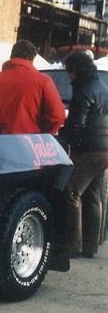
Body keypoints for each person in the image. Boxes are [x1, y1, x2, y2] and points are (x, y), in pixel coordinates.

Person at [60, 51, 108, 258]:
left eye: (69, 71)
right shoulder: (102, 87)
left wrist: (66, 138)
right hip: (104, 149)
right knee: (93, 196)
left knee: (72, 192)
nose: (68, 75)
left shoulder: (84, 91)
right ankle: (91, 245)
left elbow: (76, 125)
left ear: (76, 70)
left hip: (88, 150)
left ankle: (73, 245)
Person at [0, 40, 65, 134]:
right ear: (33, 59)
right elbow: (57, 116)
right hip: (30, 139)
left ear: (11, 56)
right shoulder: (43, 81)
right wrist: (42, 133)